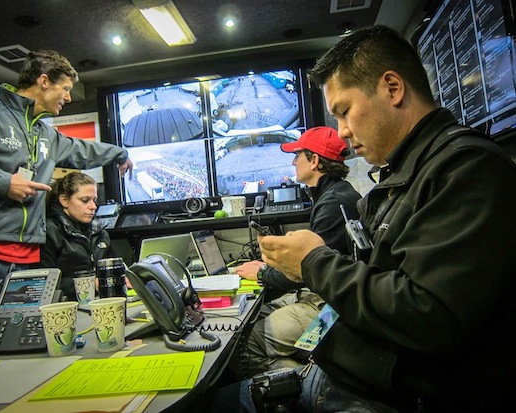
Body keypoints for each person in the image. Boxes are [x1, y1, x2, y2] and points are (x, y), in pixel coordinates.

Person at [212, 25, 516, 412]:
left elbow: (427, 315)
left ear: (392, 87)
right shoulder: (403, 175)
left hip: (378, 393)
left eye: (344, 111)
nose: (342, 132)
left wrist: (313, 261)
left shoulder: (467, 170)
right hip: (348, 372)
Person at [0, 50, 133, 289]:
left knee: (20, 328)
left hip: (26, 258)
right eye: (65, 89)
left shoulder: (45, 135)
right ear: (44, 81)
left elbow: (83, 150)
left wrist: (120, 153)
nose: (68, 97)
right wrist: (4, 183)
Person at [233, 126, 361, 378]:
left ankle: (311, 387)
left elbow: (304, 273)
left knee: (243, 345)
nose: (293, 161)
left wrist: (261, 273)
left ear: (314, 160)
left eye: (298, 155)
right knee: (246, 320)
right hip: (322, 299)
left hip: (326, 309)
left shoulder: (334, 204)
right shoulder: (334, 196)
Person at [38, 172, 113, 300]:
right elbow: (43, 285)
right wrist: (90, 284)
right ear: (64, 200)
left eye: (94, 200)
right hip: (66, 306)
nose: (93, 206)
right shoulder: (48, 232)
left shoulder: (99, 232)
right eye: (85, 200)